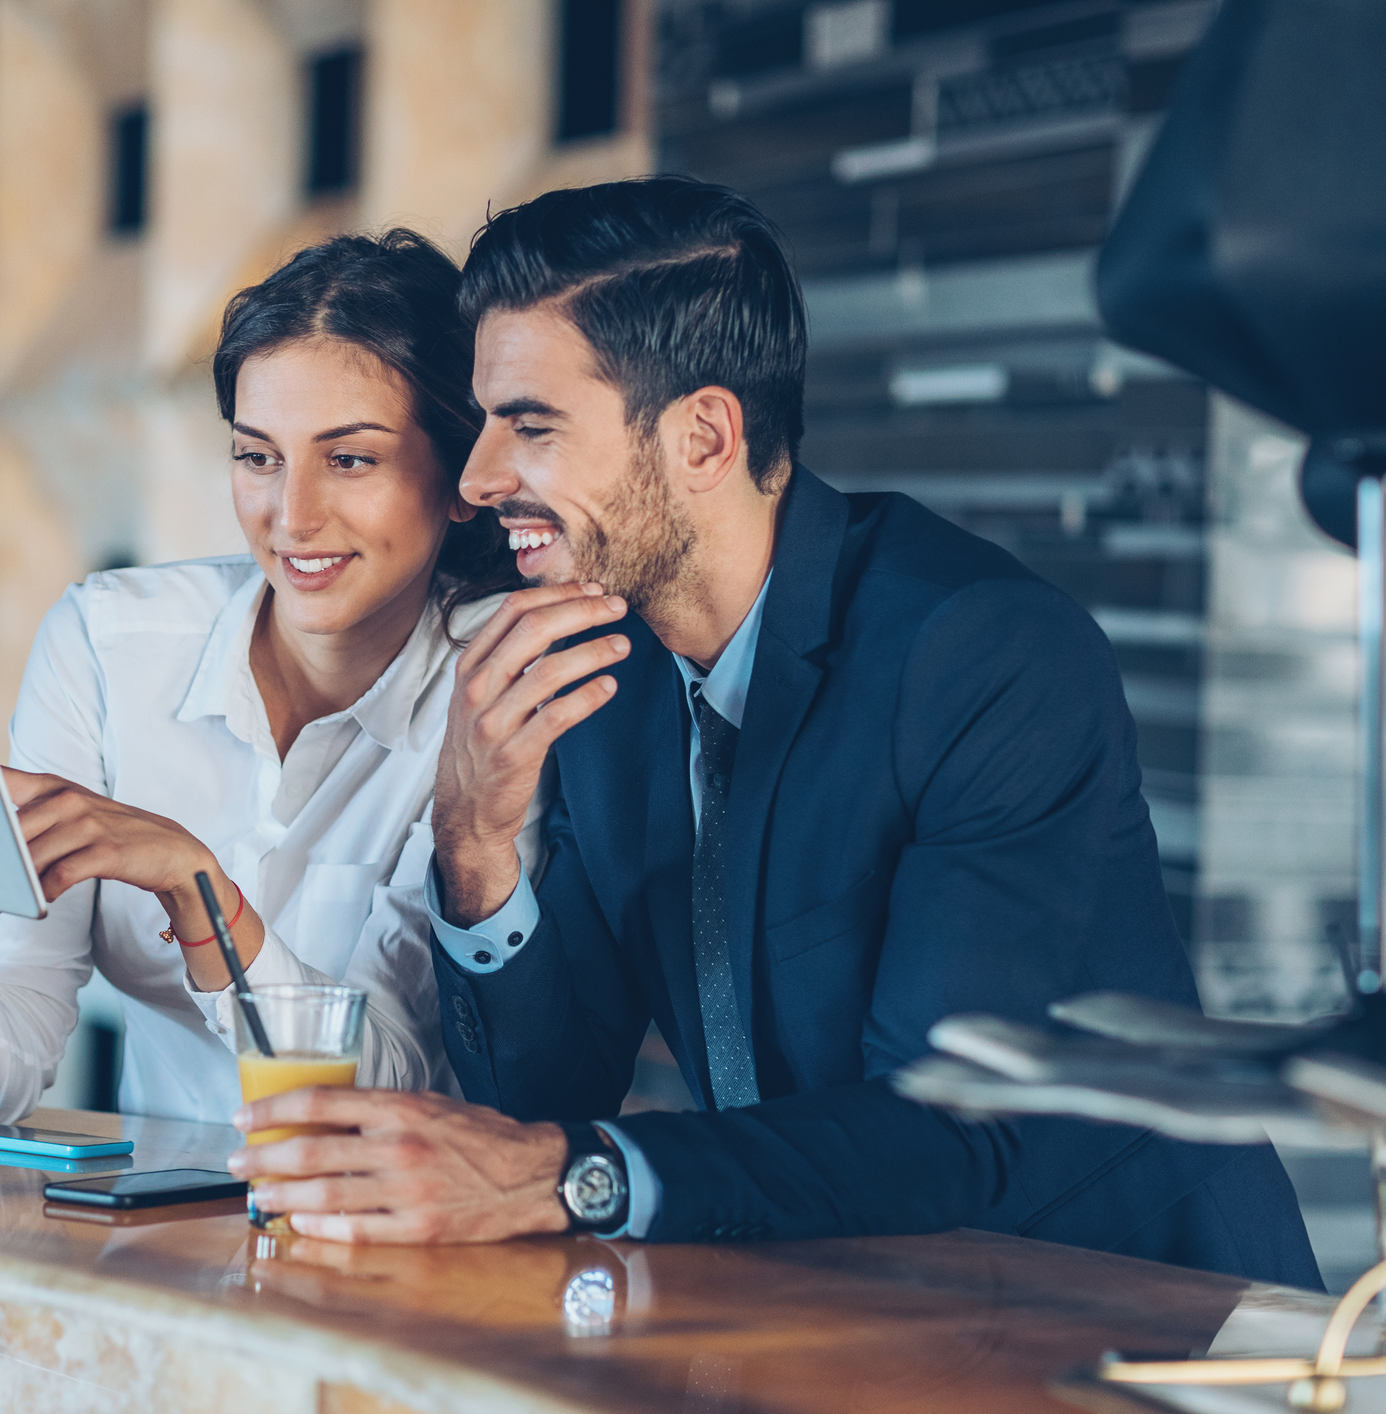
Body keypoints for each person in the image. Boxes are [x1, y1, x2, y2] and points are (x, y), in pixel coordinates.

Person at [227, 177, 1319, 1286]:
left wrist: (568, 1177)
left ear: (703, 437)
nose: (474, 478)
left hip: (1135, 1318)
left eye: (532, 426)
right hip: (851, 1318)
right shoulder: (604, 660)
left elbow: (950, 1128)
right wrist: (474, 841)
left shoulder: (986, 654)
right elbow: (547, 1106)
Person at [0, 230, 529, 1125]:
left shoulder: (498, 690)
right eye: (257, 456)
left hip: (387, 1239)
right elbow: (0, 1073)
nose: (291, 515)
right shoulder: (110, 643)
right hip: (151, 1243)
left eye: (349, 459)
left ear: (458, 472)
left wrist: (196, 888)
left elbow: (380, 1081)